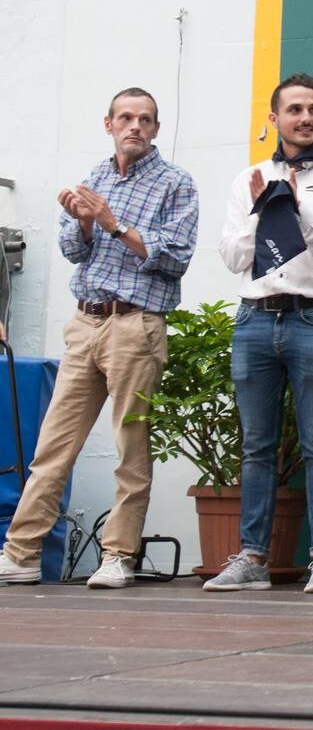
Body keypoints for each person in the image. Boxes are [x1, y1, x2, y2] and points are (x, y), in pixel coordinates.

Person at [0, 88, 198, 589]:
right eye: (125, 117)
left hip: (137, 323)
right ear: (107, 123)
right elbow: (71, 248)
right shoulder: (94, 177)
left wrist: (111, 222)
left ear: (156, 129)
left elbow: (175, 257)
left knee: (130, 447)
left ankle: (119, 554)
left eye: (145, 119)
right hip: (85, 322)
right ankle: (20, 554)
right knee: (53, 446)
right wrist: (85, 223)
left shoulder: (176, 183)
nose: (135, 126)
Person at [207, 73, 313, 594]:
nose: (305, 118)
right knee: (256, 445)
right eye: (294, 109)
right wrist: (262, 210)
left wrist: (296, 210)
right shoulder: (248, 177)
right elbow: (233, 258)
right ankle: (252, 557)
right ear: (274, 119)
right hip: (255, 319)